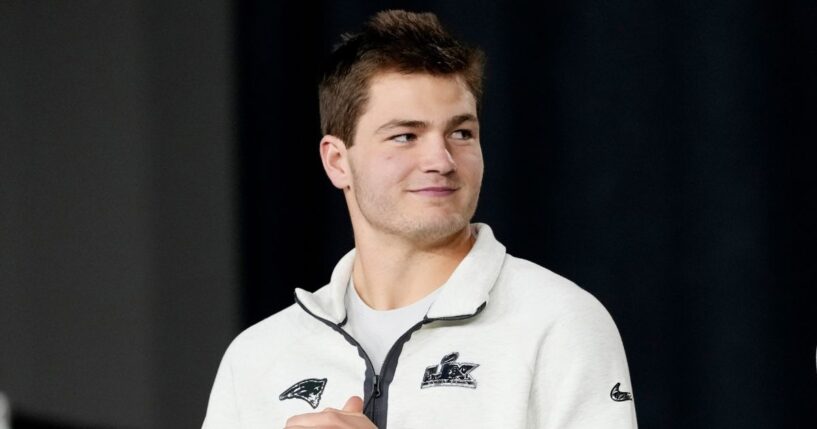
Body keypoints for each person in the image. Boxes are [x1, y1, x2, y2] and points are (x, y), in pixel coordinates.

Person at [202, 9, 637, 429]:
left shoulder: (559, 322)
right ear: (337, 161)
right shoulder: (257, 357)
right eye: (405, 136)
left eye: (461, 133)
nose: (441, 160)